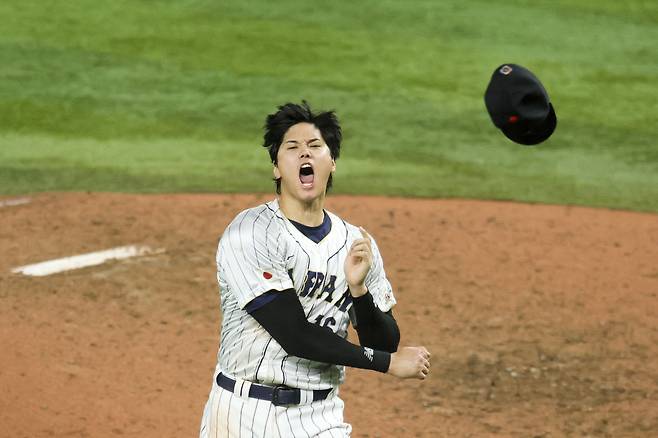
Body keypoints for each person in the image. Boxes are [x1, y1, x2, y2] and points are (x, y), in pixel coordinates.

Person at [199, 101, 431, 437]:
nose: (304, 154)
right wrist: (388, 365)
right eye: (292, 148)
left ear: (331, 162)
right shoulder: (251, 233)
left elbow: (384, 340)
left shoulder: (355, 243)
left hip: (321, 414)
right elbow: (295, 335)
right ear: (277, 168)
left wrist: (359, 292)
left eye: (315, 146)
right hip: (243, 413)